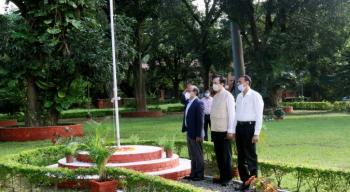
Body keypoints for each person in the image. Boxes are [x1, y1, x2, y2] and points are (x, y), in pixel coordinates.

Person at [233, 75, 264, 191]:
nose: (238, 84)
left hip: (250, 128)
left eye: (240, 82)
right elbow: (236, 115)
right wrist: (233, 130)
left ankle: (254, 184)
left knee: (250, 156)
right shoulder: (239, 96)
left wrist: (256, 133)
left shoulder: (255, 96)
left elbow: (259, 116)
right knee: (241, 157)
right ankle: (245, 182)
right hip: (239, 128)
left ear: (247, 82)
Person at [210, 75, 235, 186]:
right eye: (213, 83)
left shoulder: (228, 96)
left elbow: (232, 114)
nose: (214, 85)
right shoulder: (215, 96)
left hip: (225, 131)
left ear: (222, 84)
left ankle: (227, 178)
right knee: (219, 155)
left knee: (226, 156)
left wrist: (230, 130)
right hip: (215, 130)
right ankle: (222, 176)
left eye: (216, 82)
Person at [181, 85, 205, 181]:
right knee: (192, 154)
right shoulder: (189, 102)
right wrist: (184, 91)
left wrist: (199, 135)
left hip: (196, 134)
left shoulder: (199, 103)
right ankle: (193, 173)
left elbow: (201, 121)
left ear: (195, 92)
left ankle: (199, 175)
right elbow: (182, 99)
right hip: (189, 132)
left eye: (189, 91)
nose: (187, 92)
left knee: (198, 155)